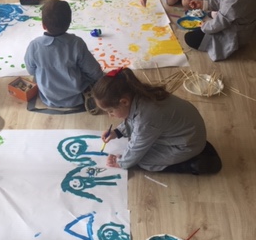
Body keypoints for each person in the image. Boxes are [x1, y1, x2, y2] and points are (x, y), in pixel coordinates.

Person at [94, 67, 222, 174]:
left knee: (141, 160)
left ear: (124, 102)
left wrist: (122, 162)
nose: (110, 115)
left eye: (110, 111)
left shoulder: (146, 117)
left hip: (187, 145)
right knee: (139, 148)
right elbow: (132, 120)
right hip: (188, 135)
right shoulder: (138, 94)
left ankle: (191, 164)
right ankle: (198, 149)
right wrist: (117, 132)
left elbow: (137, 148)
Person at [24, 0, 103, 109]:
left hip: (48, 97)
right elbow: (95, 72)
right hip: (77, 96)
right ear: (69, 23)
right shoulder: (76, 43)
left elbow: (31, 71)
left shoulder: (34, 45)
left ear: (43, 25)